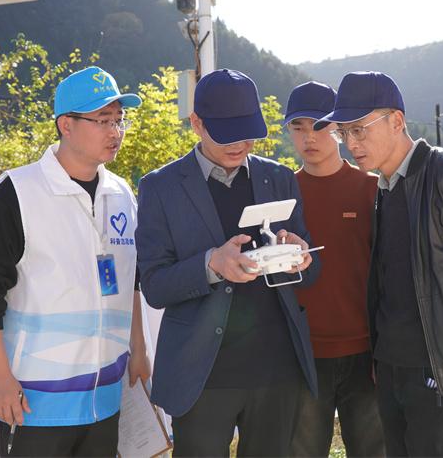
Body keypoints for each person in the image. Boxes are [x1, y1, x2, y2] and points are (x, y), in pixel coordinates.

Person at [314, 71, 443, 457]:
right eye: (343, 133)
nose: (351, 144)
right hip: (391, 369)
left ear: (397, 121)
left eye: (359, 130)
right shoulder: (384, 187)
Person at [0, 66, 150, 457]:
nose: (115, 131)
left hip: (105, 398)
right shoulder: (15, 194)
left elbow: (129, 279)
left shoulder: (121, 194)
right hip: (35, 402)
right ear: (66, 125)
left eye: (119, 119)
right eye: (102, 120)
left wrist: (139, 350)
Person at [136, 68, 319, 457]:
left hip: (276, 370)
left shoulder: (279, 178)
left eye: (248, 132)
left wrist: (297, 257)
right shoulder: (160, 187)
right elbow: (154, 285)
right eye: (227, 133)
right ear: (197, 123)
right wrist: (212, 264)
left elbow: (309, 270)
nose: (240, 144)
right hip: (201, 375)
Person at [284, 81, 384, 457]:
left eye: (319, 125)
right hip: (302, 355)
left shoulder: (371, 189)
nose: (308, 137)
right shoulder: (280, 194)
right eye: (298, 127)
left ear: (339, 129)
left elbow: (390, 274)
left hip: (366, 353)